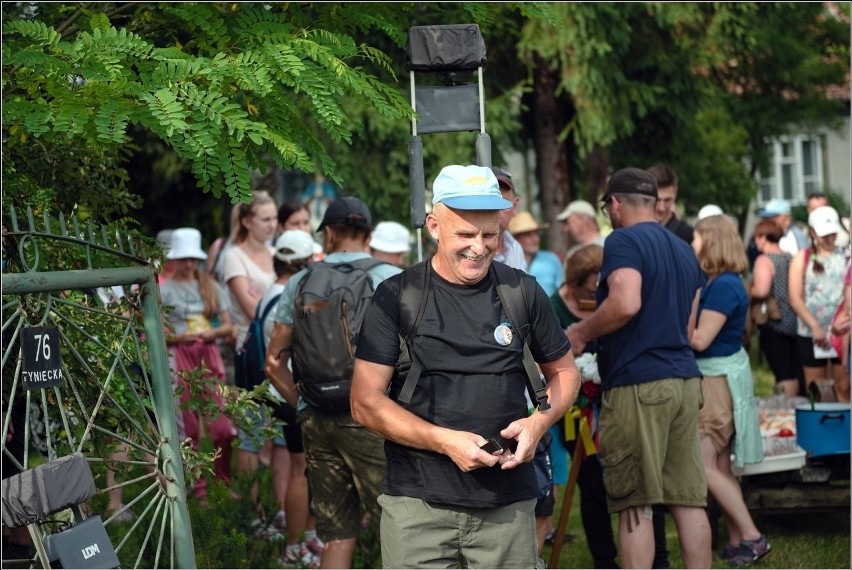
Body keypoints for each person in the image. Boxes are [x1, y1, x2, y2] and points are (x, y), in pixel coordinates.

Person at [350, 164, 581, 568]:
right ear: (433, 226)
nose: (479, 247)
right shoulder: (396, 296)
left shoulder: (521, 291)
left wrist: (538, 423)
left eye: (490, 235)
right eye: (465, 234)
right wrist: (445, 441)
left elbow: (565, 372)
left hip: (506, 505)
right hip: (417, 504)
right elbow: (365, 401)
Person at [567, 168, 711, 569]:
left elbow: (626, 302)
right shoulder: (684, 249)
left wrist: (580, 332)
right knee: (688, 500)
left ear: (614, 204)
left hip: (639, 385)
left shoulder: (623, 240)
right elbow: (688, 327)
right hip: (685, 381)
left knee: (636, 504)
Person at [265, 197, 401, 569]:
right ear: (369, 235)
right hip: (371, 416)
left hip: (316, 418)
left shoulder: (300, 281)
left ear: (328, 233)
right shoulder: (388, 277)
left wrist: (305, 404)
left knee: (337, 532)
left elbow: (274, 362)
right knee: (400, 525)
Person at [689, 215, 769, 566]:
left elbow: (699, 339)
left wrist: (684, 306)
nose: (692, 245)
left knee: (703, 465)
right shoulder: (723, 282)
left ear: (712, 243)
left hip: (715, 381)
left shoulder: (722, 286)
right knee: (720, 464)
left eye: (696, 238)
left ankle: (752, 536)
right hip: (721, 376)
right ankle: (738, 540)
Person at [549, 244, 620, 569]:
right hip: (576, 413)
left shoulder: (609, 301)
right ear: (576, 280)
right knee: (591, 485)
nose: (595, 290)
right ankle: (604, 559)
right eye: (590, 283)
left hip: (614, 406)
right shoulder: (553, 308)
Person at [259, 230, 324, 567]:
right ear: (304, 262)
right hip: (291, 391)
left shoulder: (269, 293)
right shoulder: (295, 295)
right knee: (303, 471)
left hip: (274, 391)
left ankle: (308, 536)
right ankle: (294, 546)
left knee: (305, 469)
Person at [160, 228, 237, 501]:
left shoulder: (210, 286)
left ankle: (222, 483)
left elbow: (229, 327)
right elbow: (156, 333)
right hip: (180, 357)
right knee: (189, 429)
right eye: (183, 258)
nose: (189, 264)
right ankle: (198, 488)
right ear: (175, 259)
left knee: (223, 428)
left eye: (193, 258)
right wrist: (179, 337)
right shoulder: (165, 290)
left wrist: (212, 333)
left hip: (209, 356)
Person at [788, 205, 849, 402]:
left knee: (844, 386)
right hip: (811, 332)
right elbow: (795, 297)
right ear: (813, 232)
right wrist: (815, 326)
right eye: (825, 235)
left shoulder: (846, 256)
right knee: (816, 388)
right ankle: (820, 429)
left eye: (833, 234)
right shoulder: (802, 258)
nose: (830, 239)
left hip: (842, 331)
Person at [750, 219, 805, 396]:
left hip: (774, 321)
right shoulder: (789, 257)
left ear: (763, 237)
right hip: (793, 320)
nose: (755, 241)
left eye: (757, 237)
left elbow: (762, 289)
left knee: (783, 372)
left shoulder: (764, 260)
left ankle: (786, 410)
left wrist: (746, 289)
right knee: (794, 368)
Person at [509, 211, 562, 297]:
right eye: (528, 235)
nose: (536, 239)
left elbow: (562, 291)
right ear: (516, 238)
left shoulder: (552, 259)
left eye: (536, 234)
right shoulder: (507, 260)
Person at [491, 166, 527, 270]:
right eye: (489, 202)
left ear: (515, 206)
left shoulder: (515, 248)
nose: (495, 211)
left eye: (503, 203)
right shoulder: (470, 250)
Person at [646, 164, 694, 244]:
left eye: (667, 200)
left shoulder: (689, 236)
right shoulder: (631, 232)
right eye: (657, 200)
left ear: (675, 193)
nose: (661, 208)